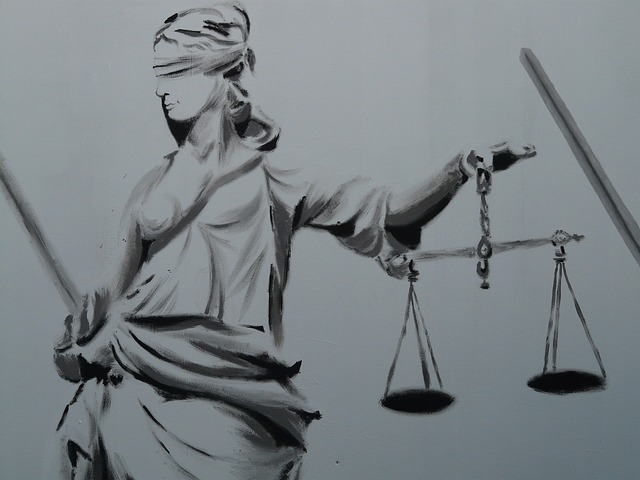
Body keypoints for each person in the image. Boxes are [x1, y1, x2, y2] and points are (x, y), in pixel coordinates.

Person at [51, 3, 536, 479]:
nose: (161, 89)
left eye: (177, 72)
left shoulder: (276, 178)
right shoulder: (149, 188)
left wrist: (458, 168)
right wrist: (78, 337)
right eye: (160, 74)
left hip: (233, 408)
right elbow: (110, 292)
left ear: (223, 74)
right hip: (128, 393)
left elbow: (387, 209)